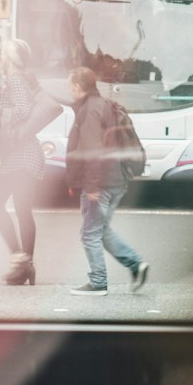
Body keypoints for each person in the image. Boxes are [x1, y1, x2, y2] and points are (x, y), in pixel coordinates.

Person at [66, 66, 148, 296]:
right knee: (100, 229)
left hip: (100, 183)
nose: (69, 91)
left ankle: (98, 282)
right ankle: (135, 265)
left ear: (78, 87)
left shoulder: (89, 110)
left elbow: (93, 150)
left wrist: (91, 186)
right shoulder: (104, 105)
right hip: (117, 178)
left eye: (70, 86)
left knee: (90, 233)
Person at [0, 38, 45, 286]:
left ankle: (21, 261)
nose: (1, 58)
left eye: (4, 54)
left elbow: (21, 111)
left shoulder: (16, 79)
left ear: (12, 58)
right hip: (21, 155)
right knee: (21, 210)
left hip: (21, 156)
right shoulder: (21, 79)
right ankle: (25, 266)